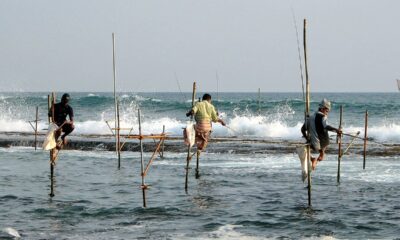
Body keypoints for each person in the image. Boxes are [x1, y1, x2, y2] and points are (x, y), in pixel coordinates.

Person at [301, 99, 341, 170]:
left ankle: (312, 158)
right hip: (322, 144)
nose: (327, 113)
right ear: (323, 109)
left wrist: (307, 138)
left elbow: (302, 129)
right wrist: (336, 130)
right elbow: (326, 126)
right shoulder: (323, 117)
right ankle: (321, 154)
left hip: (312, 144)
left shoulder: (310, 117)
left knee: (303, 144)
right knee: (324, 131)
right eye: (327, 111)